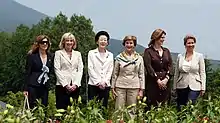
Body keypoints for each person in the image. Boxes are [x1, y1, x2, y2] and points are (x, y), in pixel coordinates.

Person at [111, 35, 145, 112]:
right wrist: (112, 87)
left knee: (132, 110)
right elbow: (115, 73)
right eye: (127, 43)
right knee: (119, 109)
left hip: (134, 86)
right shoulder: (119, 58)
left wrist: (141, 90)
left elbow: (141, 74)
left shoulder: (139, 58)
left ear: (134, 45)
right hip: (120, 86)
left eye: (131, 43)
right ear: (124, 44)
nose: (129, 45)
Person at [173, 34, 206, 111]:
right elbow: (176, 73)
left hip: (195, 85)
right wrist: (174, 87)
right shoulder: (180, 56)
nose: (191, 45)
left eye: (192, 43)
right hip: (181, 85)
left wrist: (203, 87)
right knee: (181, 107)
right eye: (189, 43)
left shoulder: (199, 56)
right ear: (185, 44)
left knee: (190, 105)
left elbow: (202, 72)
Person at [54, 32, 83, 110]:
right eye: (67, 40)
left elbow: (80, 69)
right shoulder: (58, 53)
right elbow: (57, 69)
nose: (69, 42)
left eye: (71, 40)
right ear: (63, 41)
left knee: (73, 109)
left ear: (74, 42)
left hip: (75, 85)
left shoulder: (78, 54)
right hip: (62, 85)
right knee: (61, 109)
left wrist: (76, 84)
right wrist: (66, 85)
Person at [143, 29, 173, 107]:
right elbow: (148, 67)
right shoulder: (148, 51)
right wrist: (157, 80)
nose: (163, 39)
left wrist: (166, 79)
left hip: (165, 83)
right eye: (161, 37)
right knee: (152, 105)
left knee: (164, 104)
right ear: (155, 38)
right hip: (153, 83)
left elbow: (170, 66)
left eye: (164, 38)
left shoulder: (166, 51)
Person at [24, 35, 54, 109]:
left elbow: (51, 71)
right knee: (32, 107)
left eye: (46, 42)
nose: (45, 44)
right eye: (42, 42)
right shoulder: (32, 56)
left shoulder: (51, 56)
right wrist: (25, 88)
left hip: (44, 85)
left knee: (44, 107)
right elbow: (27, 72)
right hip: (33, 85)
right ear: (38, 44)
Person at [88, 31, 114, 108]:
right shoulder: (91, 53)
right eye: (101, 40)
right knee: (92, 106)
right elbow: (90, 68)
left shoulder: (110, 55)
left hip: (105, 85)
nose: (103, 42)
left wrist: (105, 82)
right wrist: (98, 82)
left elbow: (110, 69)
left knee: (103, 107)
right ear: (97, 41)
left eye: (105, 40)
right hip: (93, 84)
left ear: (107, 42)